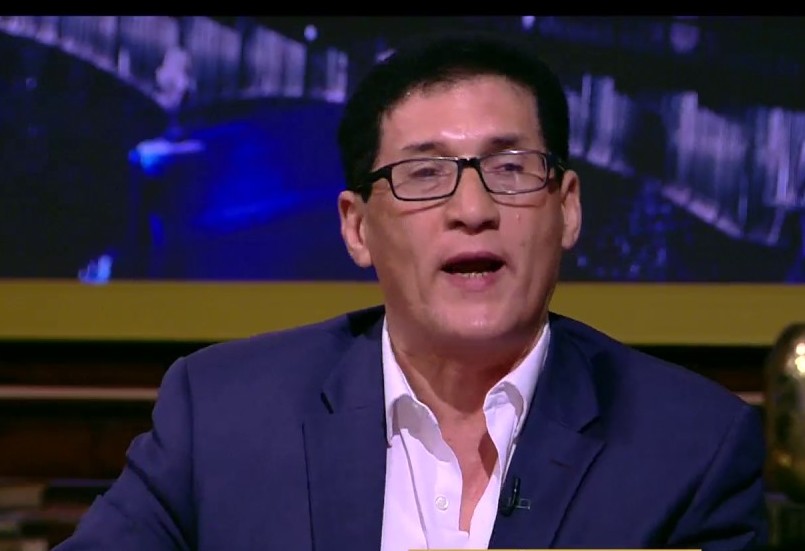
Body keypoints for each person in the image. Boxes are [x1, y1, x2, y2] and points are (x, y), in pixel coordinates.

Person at [55, 30, 769, 550]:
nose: (472, 209)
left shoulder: (693, 447)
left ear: (568, 208)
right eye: (424, 175)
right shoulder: (220, 416)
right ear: (357, 227)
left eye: (510, 168)